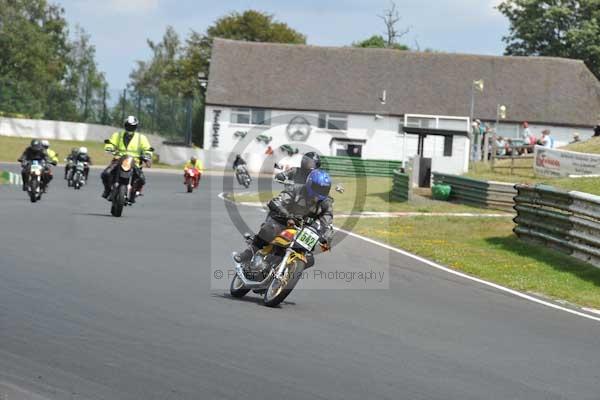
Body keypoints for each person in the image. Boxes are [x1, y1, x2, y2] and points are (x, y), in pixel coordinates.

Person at [234, 168, 334, 264]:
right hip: (284, 220)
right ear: (310, 184)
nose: (320, 192)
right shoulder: (296, 189)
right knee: (270, 229)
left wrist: (323, 236)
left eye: (324, 189)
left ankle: (289, 272)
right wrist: (288, 215)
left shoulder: (326, 203)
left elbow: (327, 221)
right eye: (318, 188)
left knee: (310, 259)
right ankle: (249, 253)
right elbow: (277, 201)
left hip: (304, 229)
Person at [101, 116, 153, 201]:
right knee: (105, 174)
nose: (130, 128)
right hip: (118, 160)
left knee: (141, 179)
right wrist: (109, 147)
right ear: (125, 125)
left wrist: (147, 155)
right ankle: (107, 190)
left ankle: (134, 193)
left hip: (135, 162)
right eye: (128, 126)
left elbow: (147, 148)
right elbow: (110, 143)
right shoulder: (117, 135)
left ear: (136, 127)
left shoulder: (141, 138)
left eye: (132, 126)